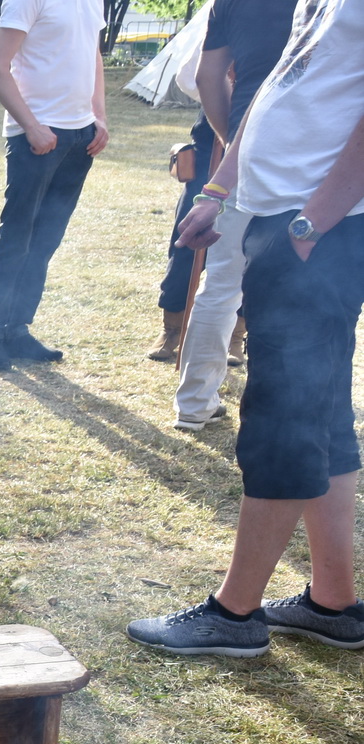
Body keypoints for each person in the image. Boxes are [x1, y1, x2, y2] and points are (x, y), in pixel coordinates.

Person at [129, 0, 364, 657]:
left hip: (321, 229)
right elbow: (276, 90)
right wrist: (219, 190)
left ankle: (234, 614)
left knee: (282, 414)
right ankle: (333, 601)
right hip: (284, 216)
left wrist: (314, 221)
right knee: (320, 412)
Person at [170, 0, 298, 430]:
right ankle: (282, 407)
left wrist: (233, 141)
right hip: (314, 155)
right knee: (295, 287)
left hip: (249, 151)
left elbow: (205, 77)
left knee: (221, 282)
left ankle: (193, 404)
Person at [0, 0, 107, 369]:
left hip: (81, 137)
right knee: (18, 237)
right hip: (37, 136)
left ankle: (17, 330)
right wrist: (31, 125)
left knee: (46, 239)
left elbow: (93, 57)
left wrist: (99, 116)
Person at [146, 116, 216, 364]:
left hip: (257, 153)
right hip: (211, 153)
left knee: (245, 252)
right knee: (186, 245)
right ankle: (172, 329)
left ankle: (236, 337)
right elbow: (190, 80)